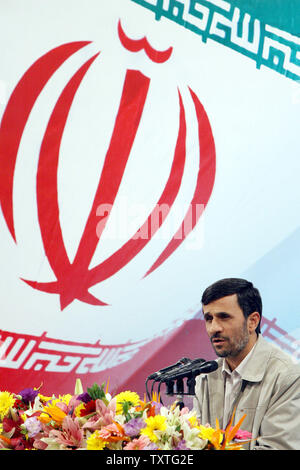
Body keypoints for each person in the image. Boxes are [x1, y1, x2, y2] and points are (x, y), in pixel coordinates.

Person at [193, 278, 300, 450]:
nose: (213, 328)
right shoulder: (204, 377)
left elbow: (278, 447)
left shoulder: (287, 377)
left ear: (253, 321)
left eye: (224, 317)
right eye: (209, 318)